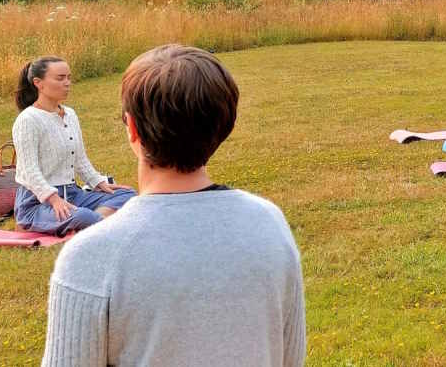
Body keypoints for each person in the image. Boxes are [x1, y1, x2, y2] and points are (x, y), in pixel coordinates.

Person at [42, 45, 305, 366]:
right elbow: (290, 357)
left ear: (132, 129)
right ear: (224, 124)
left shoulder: (91, 256)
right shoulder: (269, 224)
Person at [12, 56, 135, 235]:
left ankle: (87, 226)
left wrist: (99, 183)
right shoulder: (27, 120)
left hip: (72, 194)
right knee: (84, 216)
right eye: (60, 78)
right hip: (37, 202)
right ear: (38, 83)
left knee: (127, 195)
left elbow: (80, 159)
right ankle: (88, 224)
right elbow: (29, 171)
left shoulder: (70, 114)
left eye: (69, 77)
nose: (67, 83)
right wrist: (54, 200)